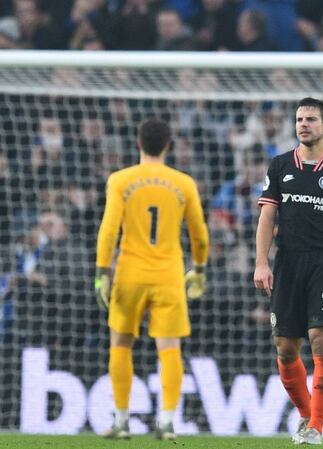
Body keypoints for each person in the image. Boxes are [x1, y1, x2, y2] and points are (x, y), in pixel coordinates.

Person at [253, 97, 323, 445]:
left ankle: (316, 427)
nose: (303, 124)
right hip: (287, 263)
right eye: (300, 119)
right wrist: (261, 262)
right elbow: (267, 217)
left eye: (311, 119)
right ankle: (306, 414)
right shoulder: (279, 166)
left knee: (321, 338)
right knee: (286, 347)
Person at [94, 117, 209, 441]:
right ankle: (168, 421)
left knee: (120, 343)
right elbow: (199, 234)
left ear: (137, 143)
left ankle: (121, 421)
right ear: (168, 146)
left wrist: (102, 272)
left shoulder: (120, 179)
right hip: (169, 275)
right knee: (169, 348)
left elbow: (109, 228)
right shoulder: (184, 183)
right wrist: (199, 269)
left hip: (129, 273)